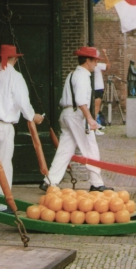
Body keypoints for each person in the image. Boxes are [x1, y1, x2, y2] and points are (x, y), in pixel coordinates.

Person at [0, 45, 44, 213]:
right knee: (2, 166)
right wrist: (33, 116)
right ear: (14, 59)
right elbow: (23, 102)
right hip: (2, 125)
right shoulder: (15, 76)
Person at [41, 47, 112, 192]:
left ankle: (49, 181)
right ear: (87, 61)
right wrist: (90, 119)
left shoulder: (72, 74)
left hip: (67, 114)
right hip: (76, 116)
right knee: (90, 147)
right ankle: (97, 184)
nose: (96, 64)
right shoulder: (82, 76)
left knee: (65, 150)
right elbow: (81, 101)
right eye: (95, 61)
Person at [93, 49, 110, 135]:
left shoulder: (93, 66)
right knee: (96, 109)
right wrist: (105, 54)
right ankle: (94, 128)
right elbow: (108, 66)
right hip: (98, 89)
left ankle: (95, 124)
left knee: (94, 109)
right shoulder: (98, 66)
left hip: (93, 89)